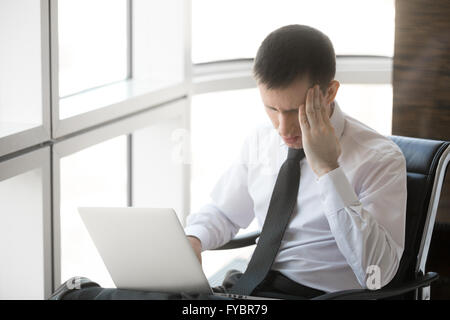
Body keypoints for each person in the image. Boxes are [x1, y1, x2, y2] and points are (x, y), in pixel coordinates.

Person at [51, 24, 407, 300]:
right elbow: (223, 212)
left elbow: (377, 271)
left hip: (318, 296)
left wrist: (328, 170)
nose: (283, 128)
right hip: (248, 290)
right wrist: (193, 239)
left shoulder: (380, 159)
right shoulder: (261, 140)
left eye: (295, 111)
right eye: (272, 108)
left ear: (329, 93)